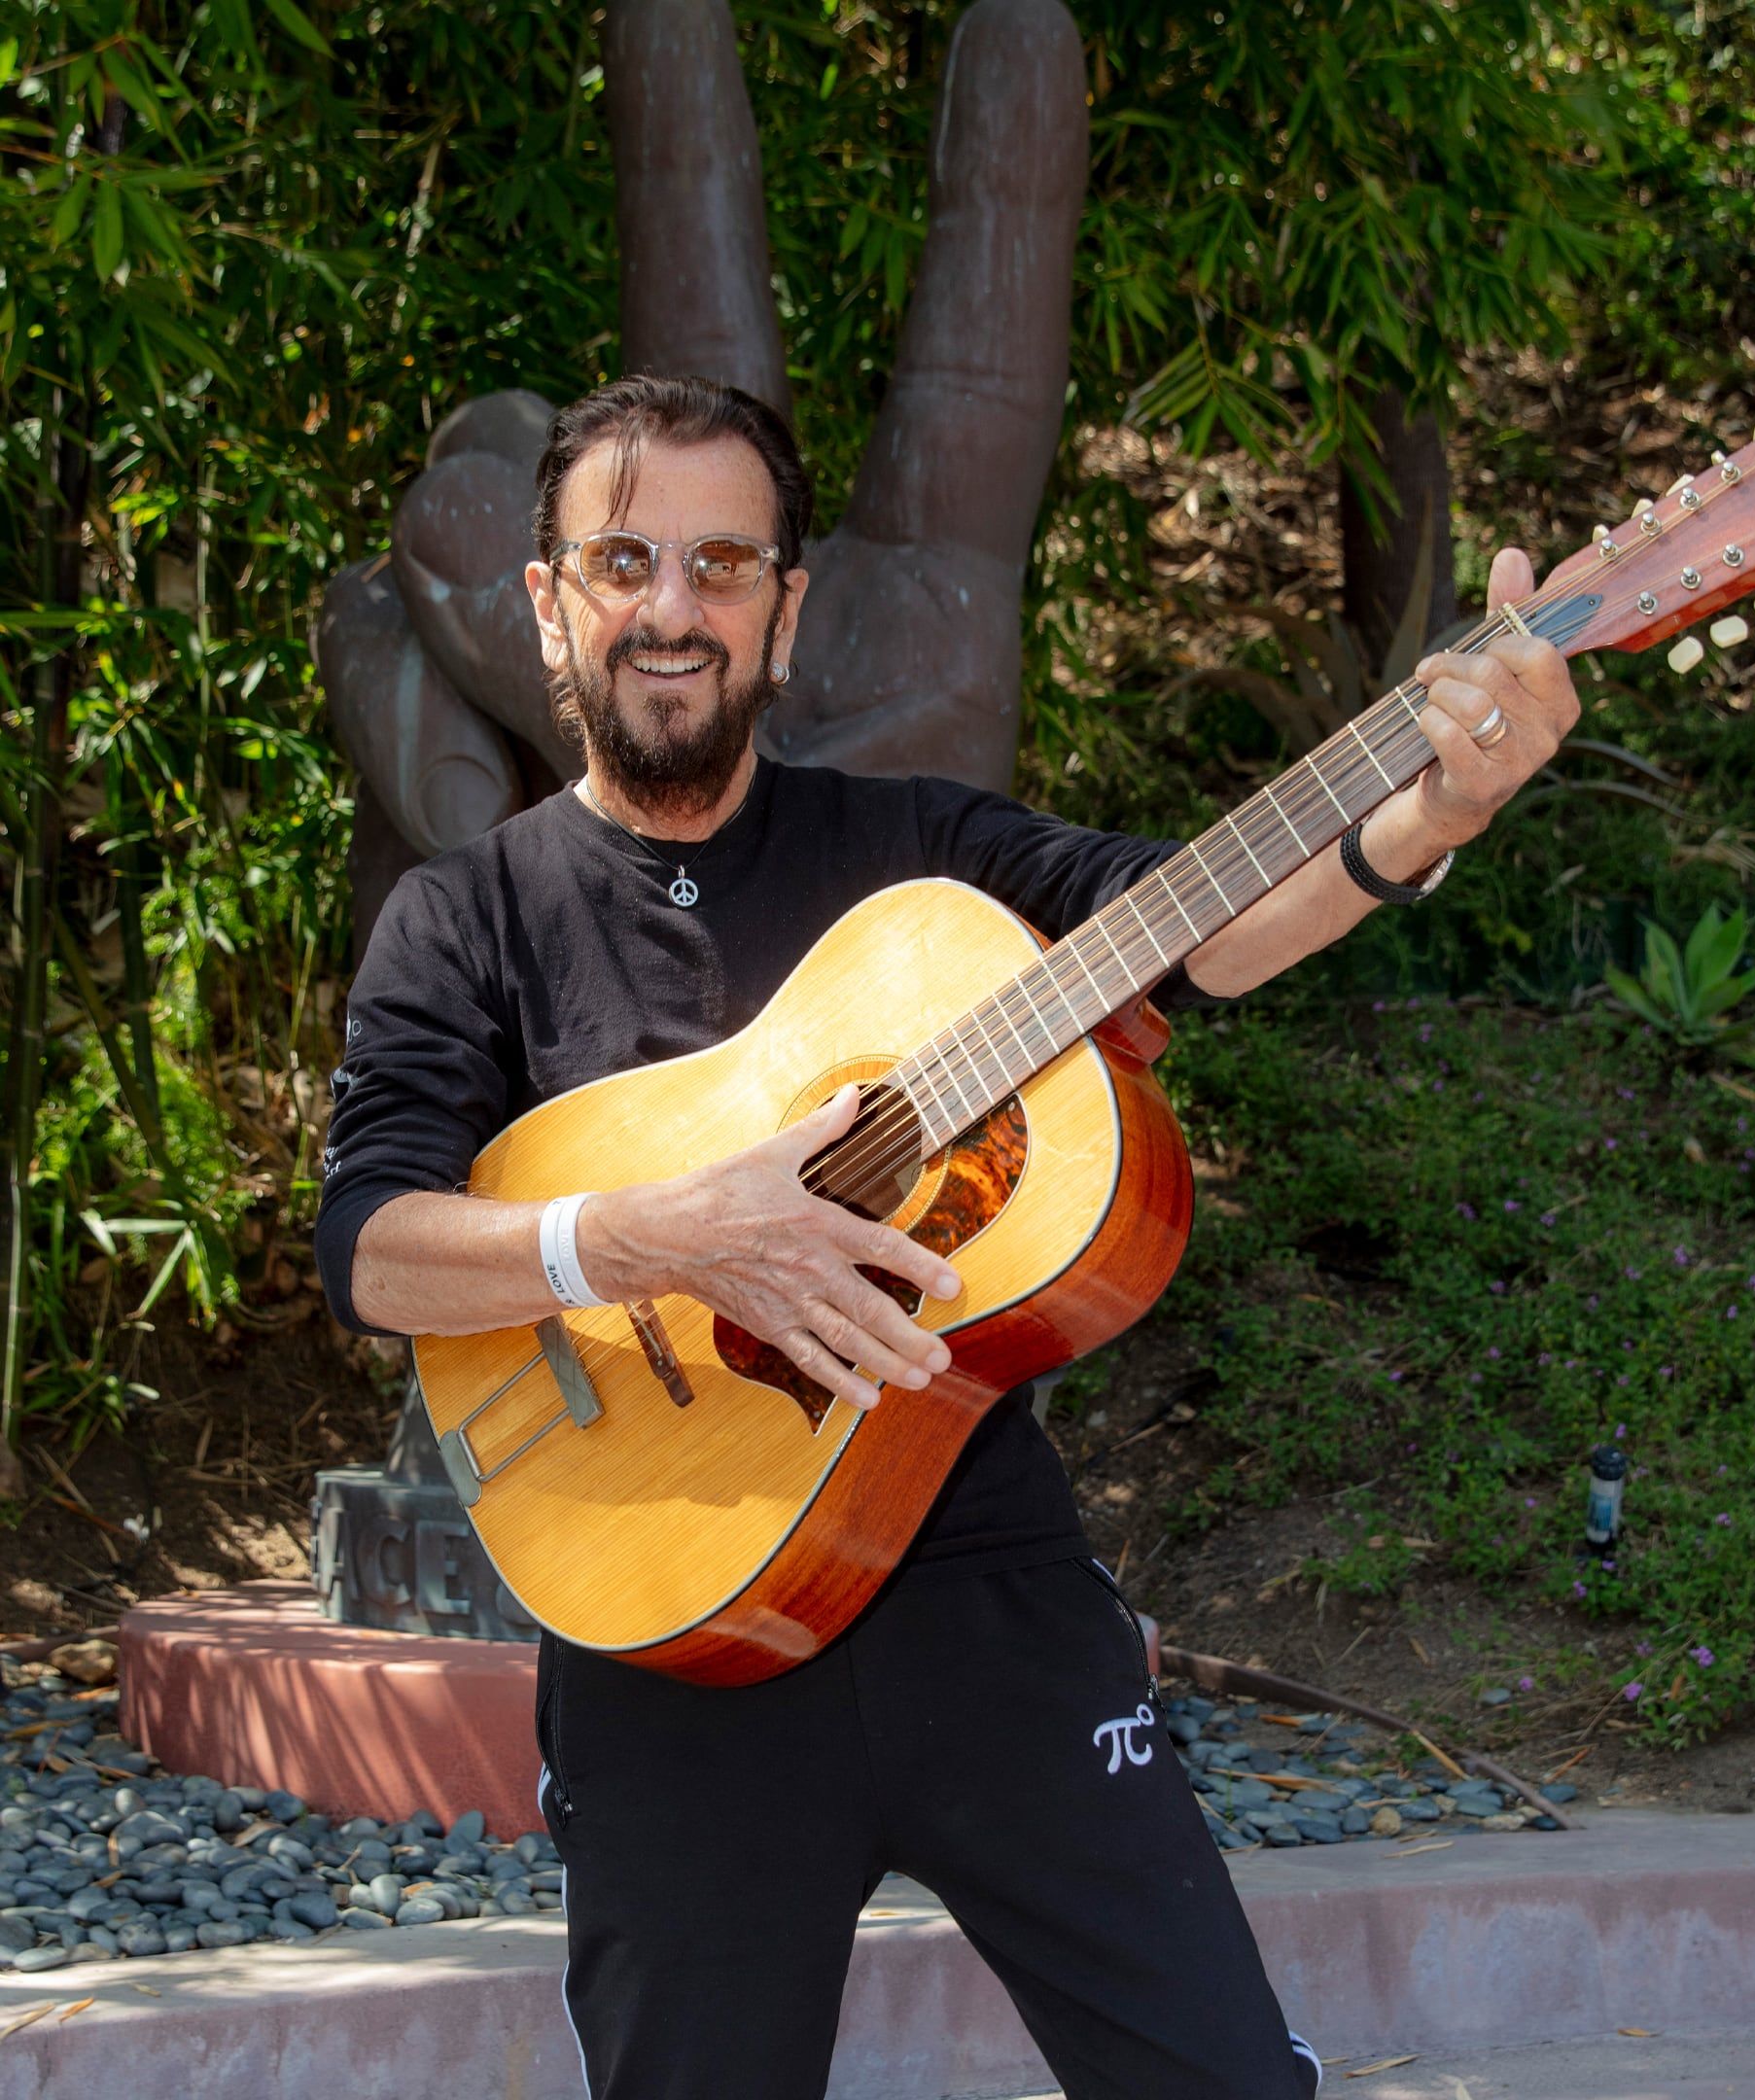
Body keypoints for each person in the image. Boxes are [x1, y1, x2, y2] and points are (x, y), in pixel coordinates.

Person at [315, 373, 1579, 2098]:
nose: (672, 609)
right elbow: (374, 1247)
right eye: (623, 562)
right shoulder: (467, 920)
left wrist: (1425, 817)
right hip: (675, 1651)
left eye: (723, 564)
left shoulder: (921, 857)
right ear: (549, 602)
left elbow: (1191, 928)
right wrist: (659, 1237)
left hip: (989, 1607)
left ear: (787, 606)